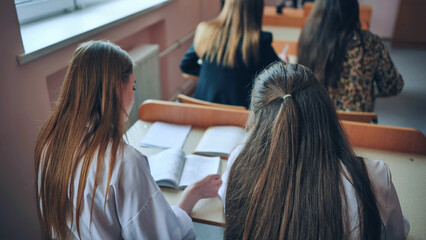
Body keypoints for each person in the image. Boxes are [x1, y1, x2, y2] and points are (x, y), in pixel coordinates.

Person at [34, 40, 222, 239]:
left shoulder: (49, 141)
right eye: (132, 88)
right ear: (116, 88)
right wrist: (190, 195)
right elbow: (162, 235)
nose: (133, 97)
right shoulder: (124, 161)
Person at [219, 62, 409, 239]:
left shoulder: (239, 160)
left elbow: (229, 209)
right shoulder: (374, 176)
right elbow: (397, 233)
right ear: (325, 111)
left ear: (256, 117)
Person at [297, 0, 404, 112]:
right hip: (359, 126)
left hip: (316, 122)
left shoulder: (308, 40)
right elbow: (394, 86)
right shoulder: (371, 43)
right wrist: (366, 85)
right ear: (354, 11)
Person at [179, 0, 280, 108]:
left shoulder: (206, 31)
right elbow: (279, 75)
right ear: (257, 9)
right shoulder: (259, 41)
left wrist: (211, 73)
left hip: (202, 109)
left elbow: (186, 65)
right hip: (239, 115)